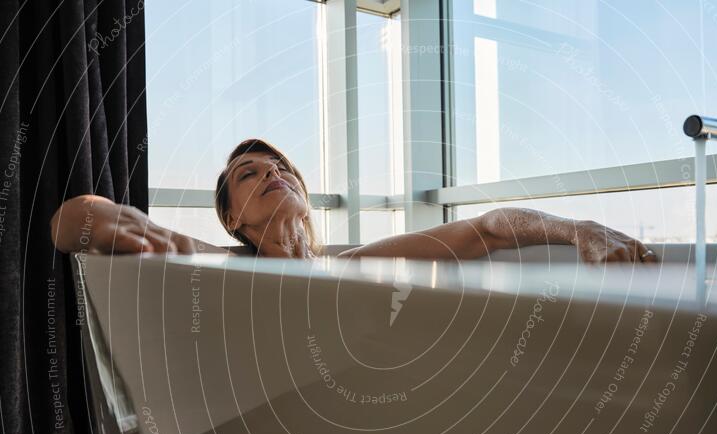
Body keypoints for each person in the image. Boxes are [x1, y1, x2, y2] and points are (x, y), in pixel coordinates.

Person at [51, 138, 658, 263]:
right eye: (249, 174)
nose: (273, 173)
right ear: (233, 219)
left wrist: (578, 226)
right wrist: (119, 220)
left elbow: (488, 228)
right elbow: (69, 221)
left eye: (281, 167)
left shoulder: (354, 267)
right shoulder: (219, 265)